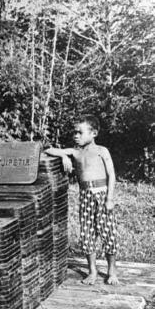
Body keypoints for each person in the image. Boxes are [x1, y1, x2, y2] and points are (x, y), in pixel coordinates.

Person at [45, 115, 119, 285]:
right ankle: (92, 271)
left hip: (102, 193)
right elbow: (48, 150)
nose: (75, 135)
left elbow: (112, 174)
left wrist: (110, 198)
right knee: (87, 233)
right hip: (85, 196)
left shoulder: (102, 150)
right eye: (74, 132)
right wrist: (64, 157)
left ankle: (112, 271)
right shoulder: (75, 152)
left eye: (80, 132)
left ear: (94, 133)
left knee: (108, 233)